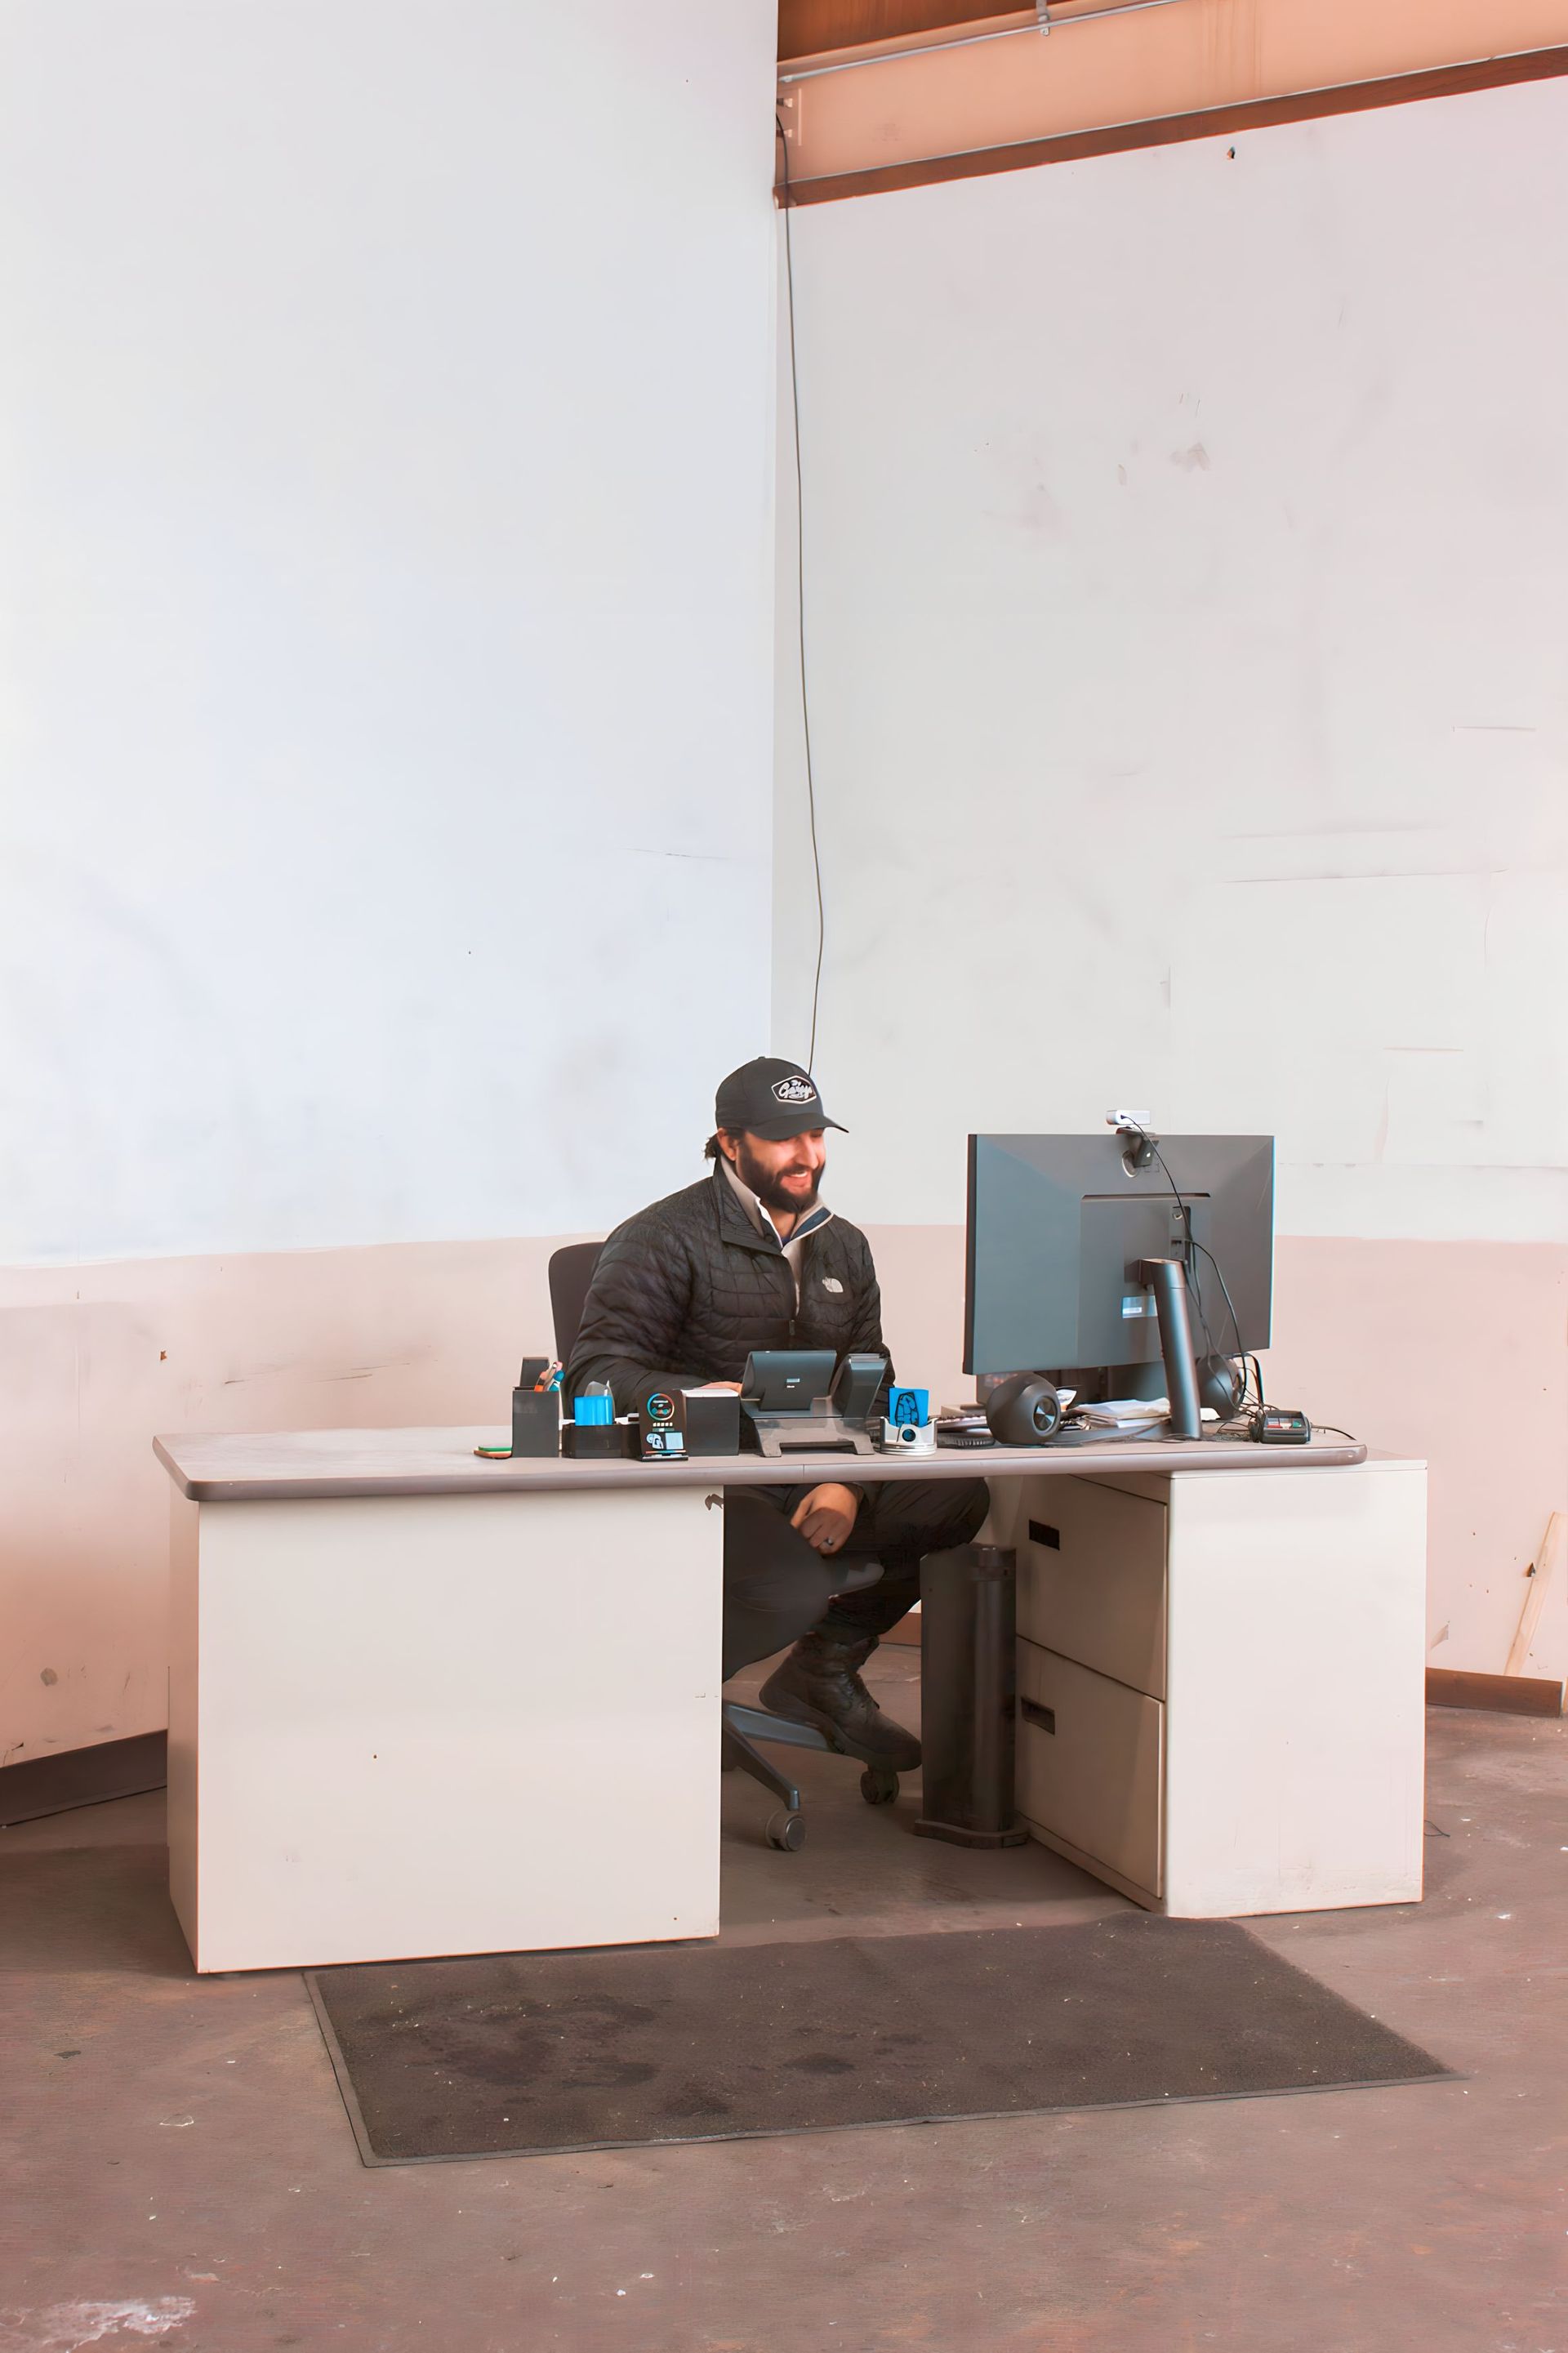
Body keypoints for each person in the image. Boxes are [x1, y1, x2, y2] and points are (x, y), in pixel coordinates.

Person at [564, 1057, 989, 1772]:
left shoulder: (843, 1244)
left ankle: (823, 1671)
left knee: (955, 1497)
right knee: (787, 1587)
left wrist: (846, 1483)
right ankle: (639, 1713)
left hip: (812, 1469)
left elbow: (873, 1379)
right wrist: (703, 1395)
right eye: (785, 1139)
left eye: (817, 1134)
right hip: (710, 1479)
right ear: (730, 1143)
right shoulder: (661, 1237)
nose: (809, 1155)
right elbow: (597, 1370)